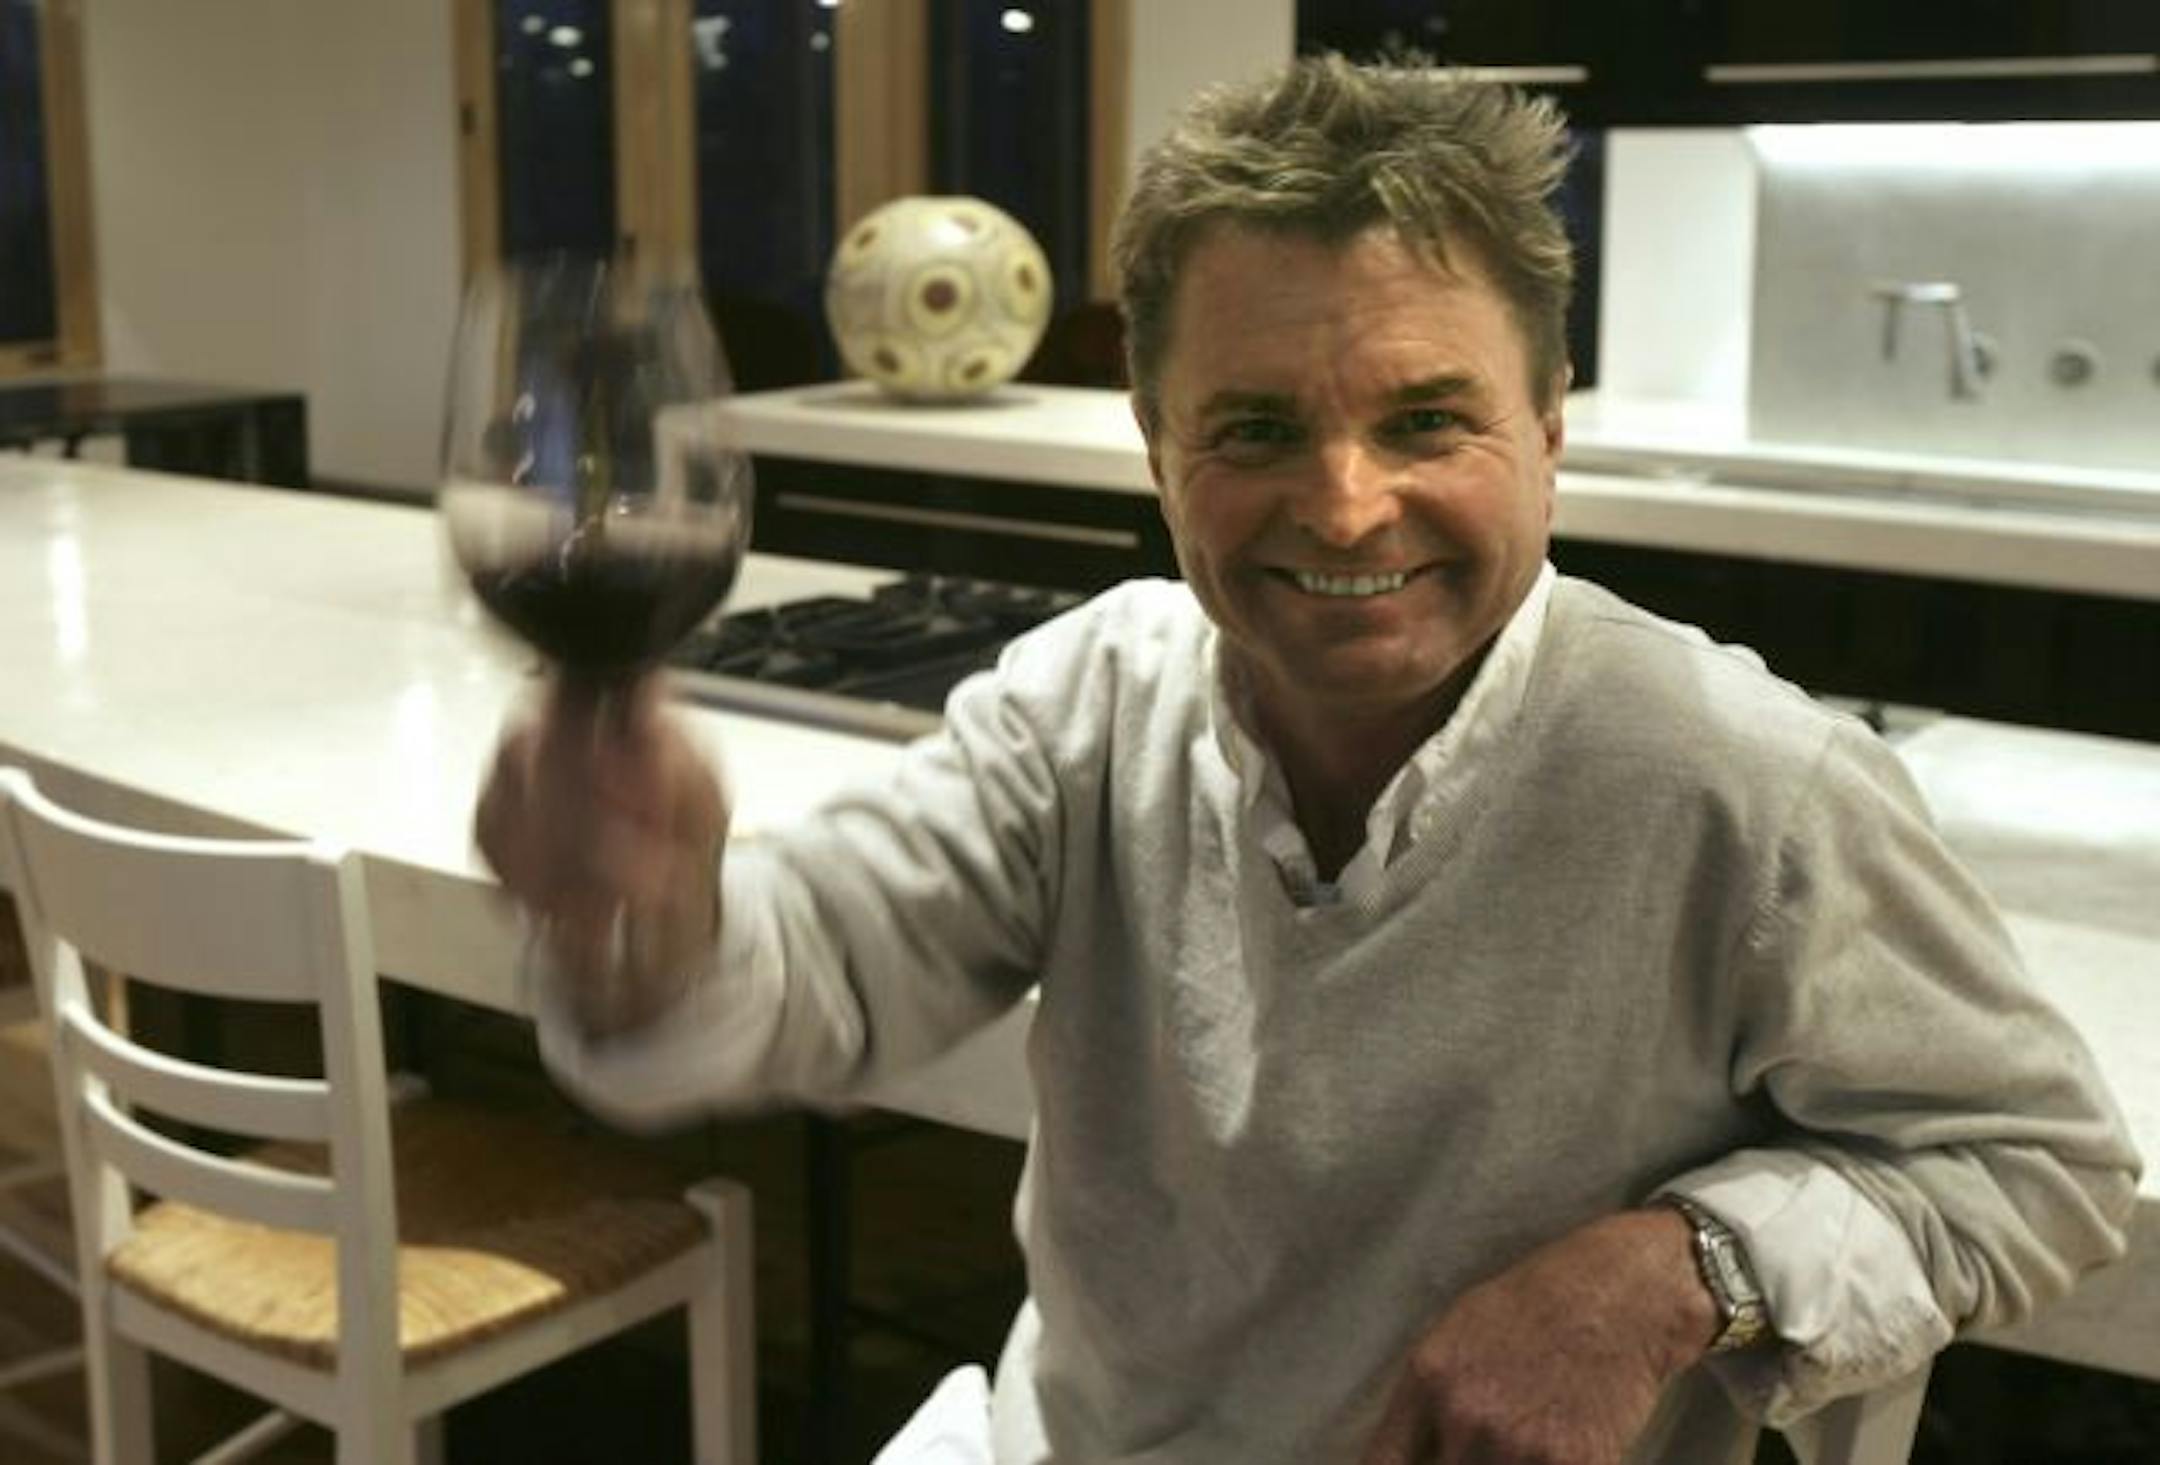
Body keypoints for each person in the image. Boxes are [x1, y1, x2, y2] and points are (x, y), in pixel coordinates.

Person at [477, 54, 2140, 1465]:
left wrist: (1668, 1271)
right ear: (1156, 445)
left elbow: (2039, 1162)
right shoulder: (1089, 705)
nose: (1345, 507)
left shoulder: (1735, 782)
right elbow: (816, 967)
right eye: (1255, 428)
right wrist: (655, 916)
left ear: (1552, 427)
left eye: (1427, 420)